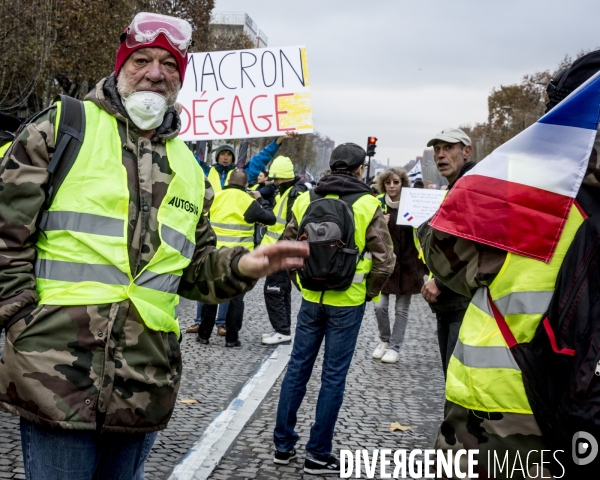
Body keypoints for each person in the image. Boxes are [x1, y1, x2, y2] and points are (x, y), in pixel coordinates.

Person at [0, 13, 308, 480]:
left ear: (179, 80)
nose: (155, 72)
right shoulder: (64, 126)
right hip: (56, 370)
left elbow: (194, 271)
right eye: (142, 59)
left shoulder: (188, 165)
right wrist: (21, 319)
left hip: (145, 377)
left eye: (169, 64)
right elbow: (6, 231)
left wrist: (245, 263)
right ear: (121, 65)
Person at [272, 143, 394, 474]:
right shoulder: (370, 204)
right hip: (348, 303)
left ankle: (282, 446)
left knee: (297, 369)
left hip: (311, 300)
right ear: (359, 170)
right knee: (333, 377)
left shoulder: (304, 199)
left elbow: (287, 249)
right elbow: (384, 261)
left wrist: (301, 284)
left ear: (330, 166)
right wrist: (367, 293)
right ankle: (317, 454)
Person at [198, 169, 276, 347]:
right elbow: (270, 219)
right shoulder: (248, 202)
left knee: (210, 296)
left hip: (215, 255)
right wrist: (260, 199)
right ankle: (232, 339)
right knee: (236, 299)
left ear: (229, 181)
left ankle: (204, 335)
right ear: (246, 184)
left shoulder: (216, 197)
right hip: (240, 259)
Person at [420, 128, 474, 377]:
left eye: (448, 148)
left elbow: (478, 247)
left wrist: (441, 282)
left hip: (465, 303)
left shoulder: (472, 188)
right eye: (437, 149)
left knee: (458, 386)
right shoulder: (458, 187)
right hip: (454, 303)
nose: (440, 155)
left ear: (466, 151)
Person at [372, 168, 425, 364]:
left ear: (402, 183)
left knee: (402, 309)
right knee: (379, 306)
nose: (392, 186)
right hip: (386, 264)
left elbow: (424, 229)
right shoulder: (377, 204)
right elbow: (367, 230)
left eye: (396, 182)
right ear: (383, 185)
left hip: (409, 263)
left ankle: (395, 347)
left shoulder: (413, 203)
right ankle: (384, 340)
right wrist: (379, 224)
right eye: (388, 183)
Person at [260, 156, 308, 345]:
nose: (275, 184)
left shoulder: (294, 194)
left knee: (273, 289)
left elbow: (290, 225)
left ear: (283, 178)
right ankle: (283, 329)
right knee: (281, 289)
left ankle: (282, 330)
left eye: (277, 180)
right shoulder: (290, 193)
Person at [200, 134, 297, 193]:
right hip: (209, 223)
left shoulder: (241, 174)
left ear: (233, 158)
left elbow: (260, 160)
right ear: (217, 157)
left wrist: (279, 140)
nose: (225, 157)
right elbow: (189, 157)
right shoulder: (206, 171)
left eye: (229, 154)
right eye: (222, 154)